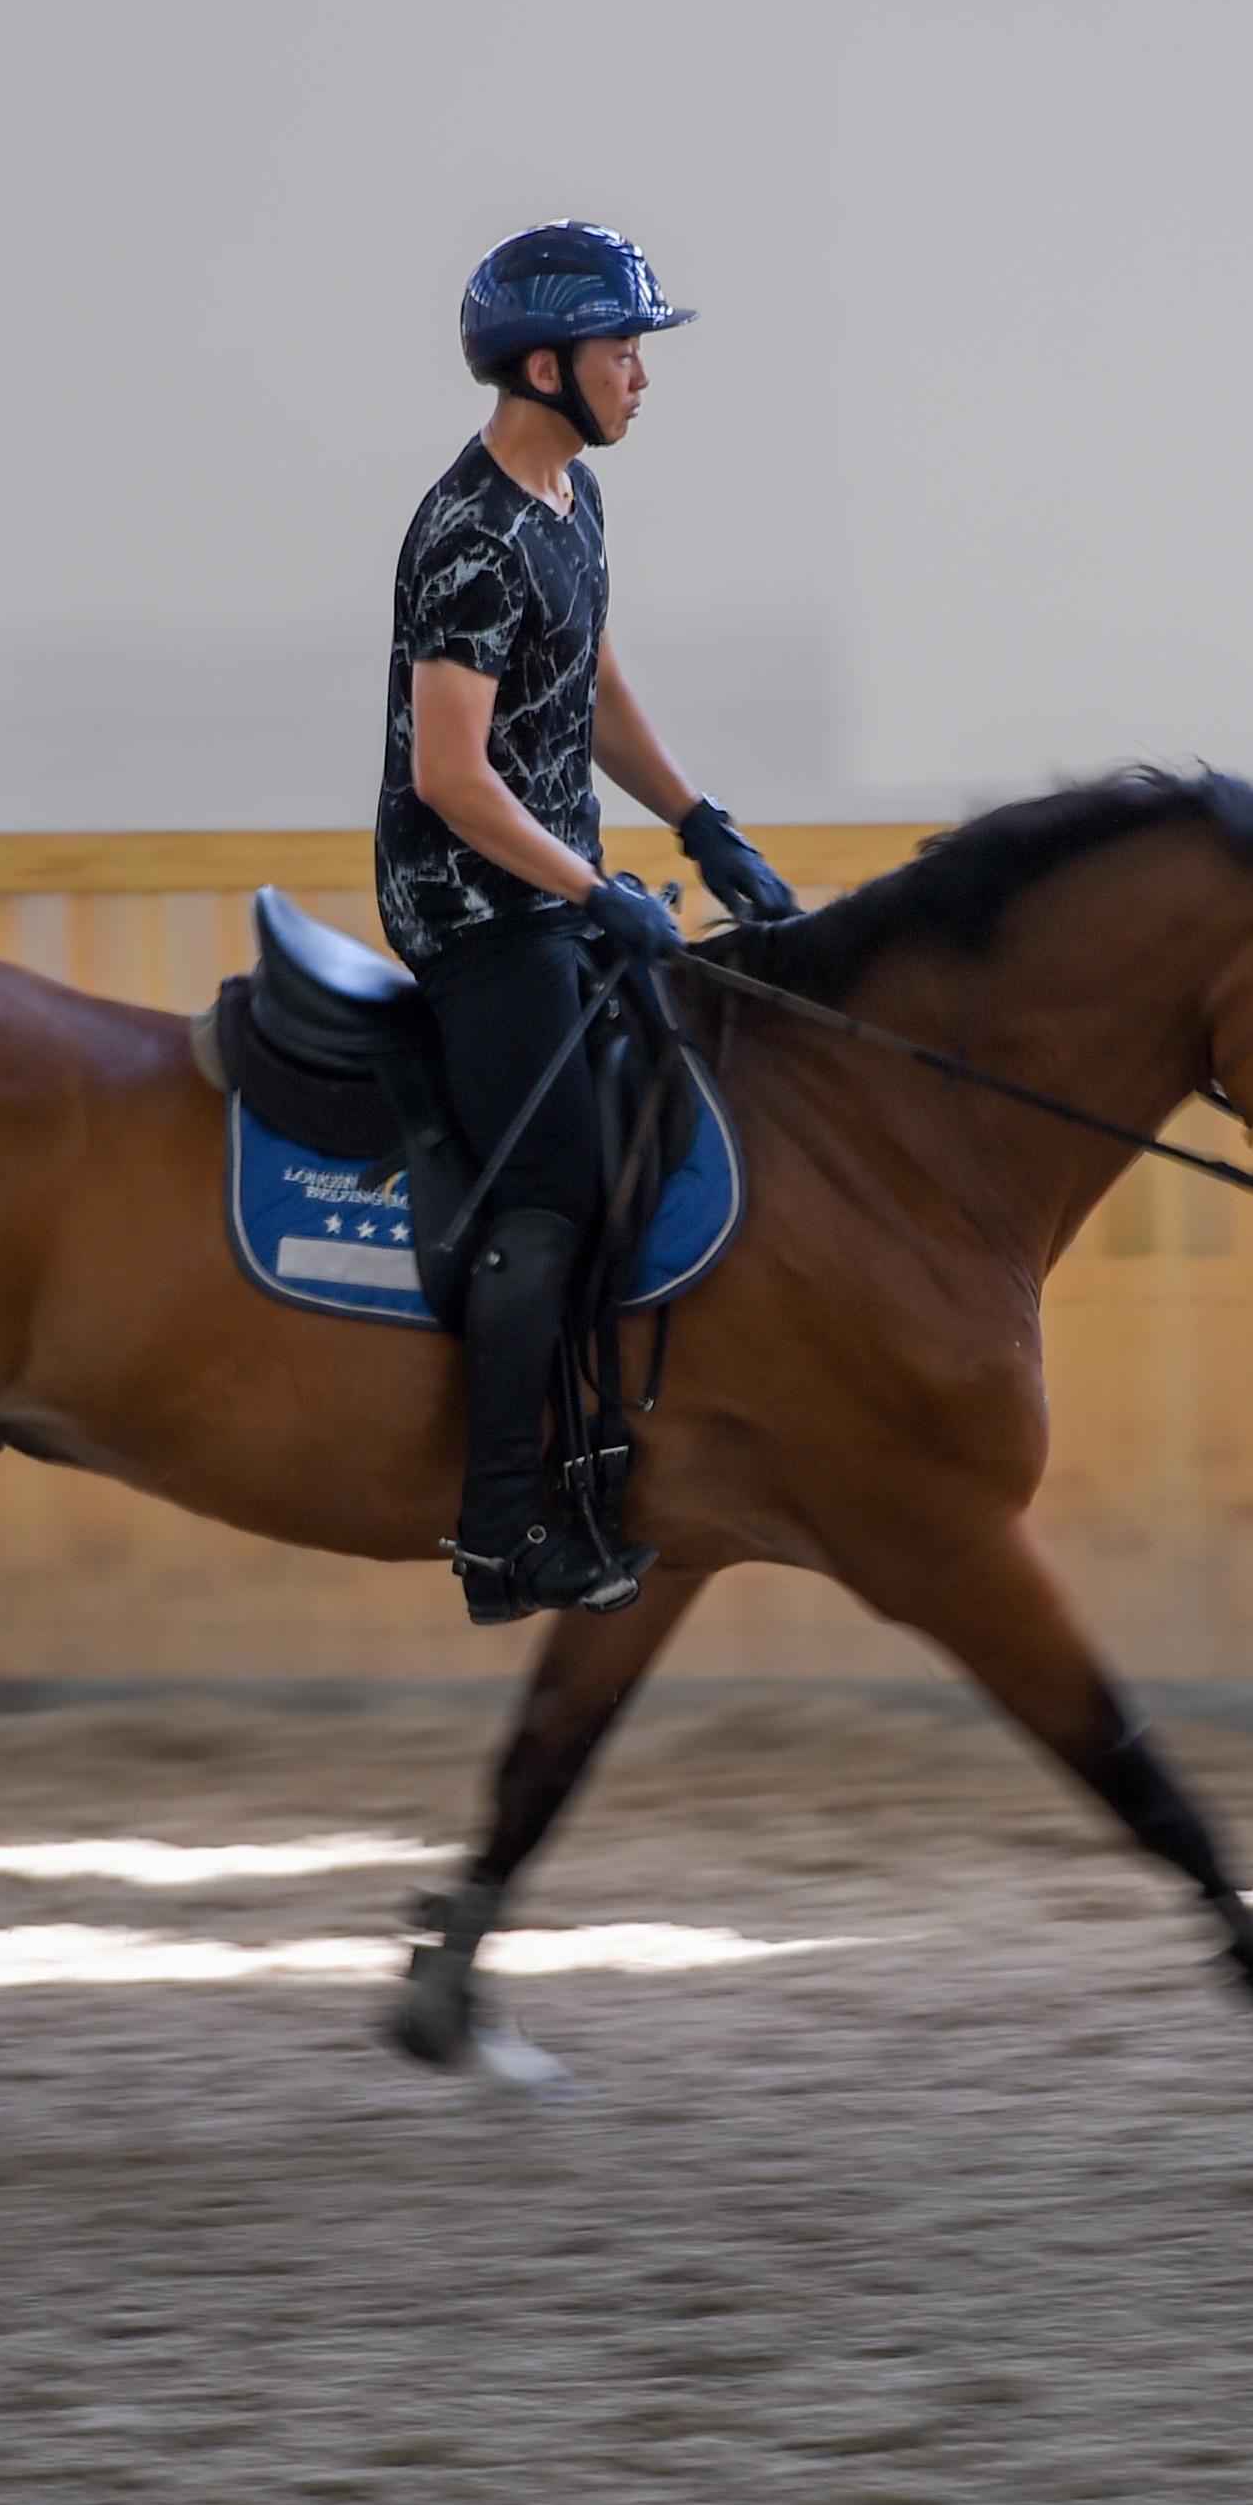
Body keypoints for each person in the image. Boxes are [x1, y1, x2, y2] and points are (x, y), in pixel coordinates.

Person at [381, 221, 803, 1622]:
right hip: (475, 905)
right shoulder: (468, 537)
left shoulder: (569, 503)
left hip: (563, 891)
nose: (643, 372)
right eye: (628, 348)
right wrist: (593, 890)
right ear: (548, 364)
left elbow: (595, 687)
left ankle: (603, 1458)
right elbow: (453, 775)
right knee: (553, 1189)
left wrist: (698, 822)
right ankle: (503, 1535)